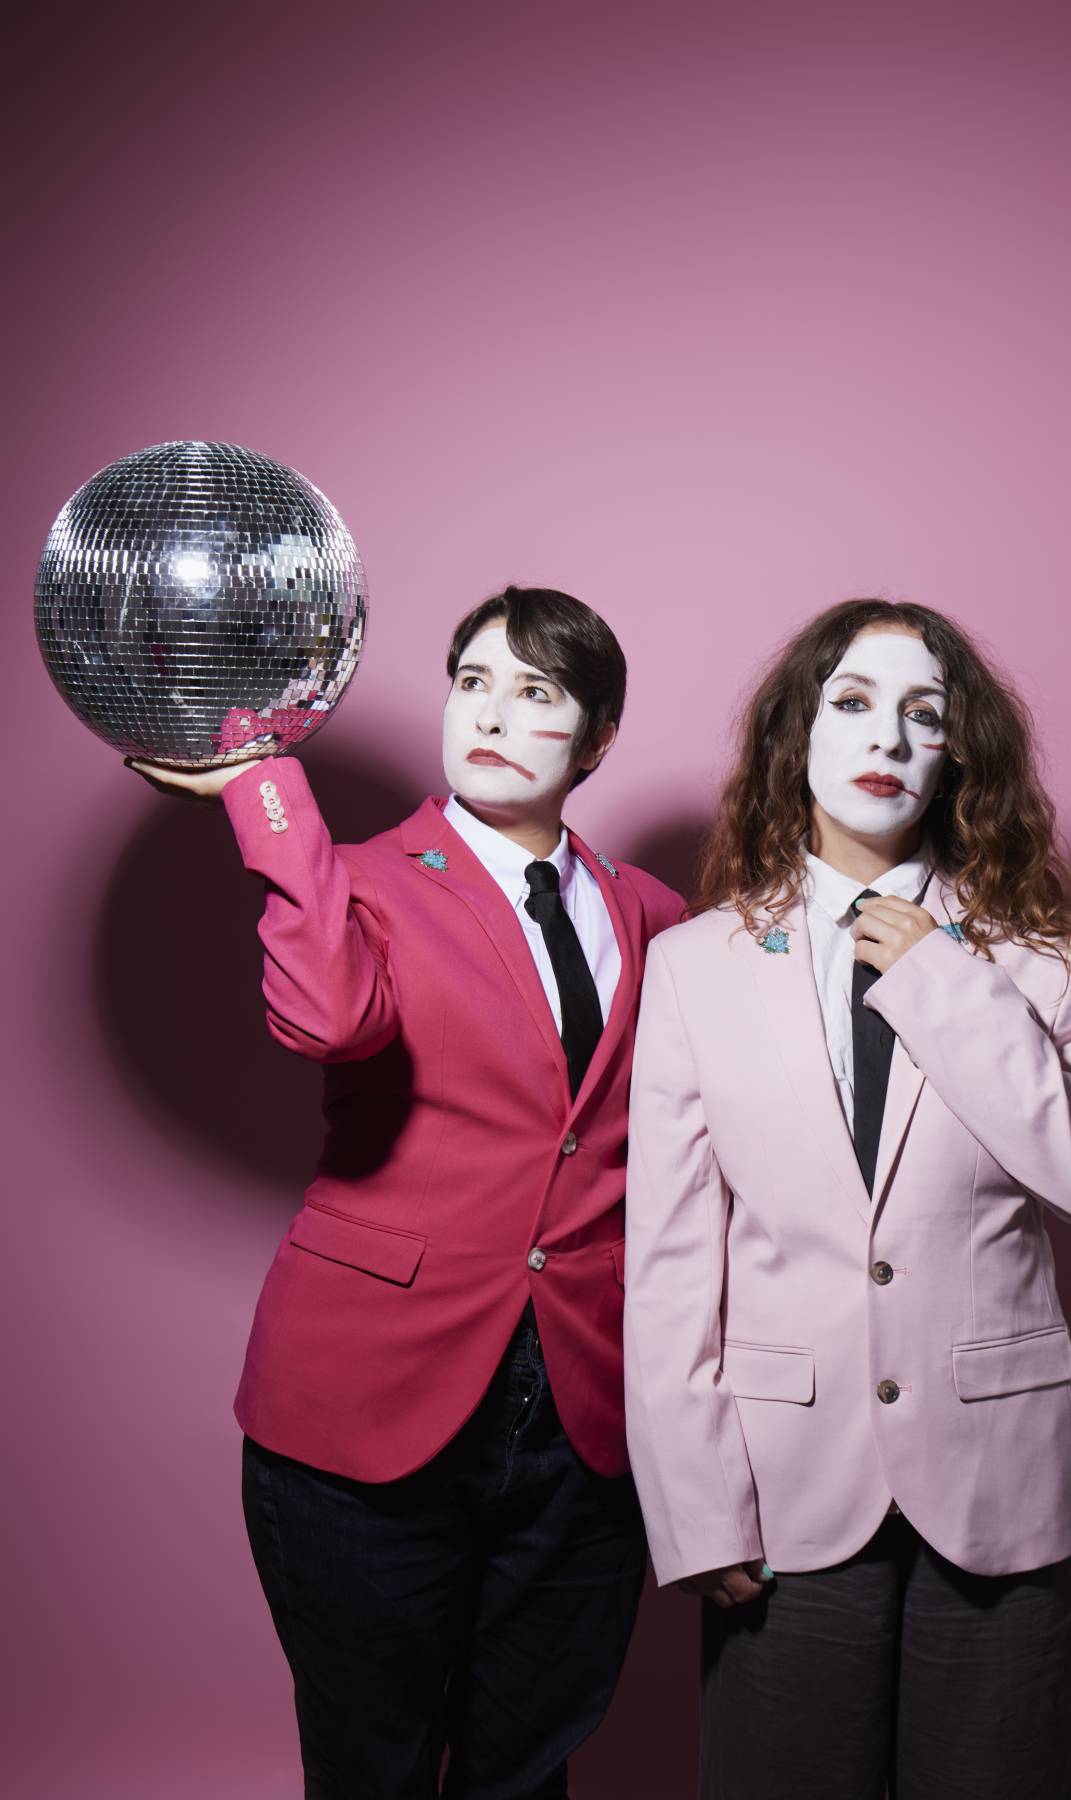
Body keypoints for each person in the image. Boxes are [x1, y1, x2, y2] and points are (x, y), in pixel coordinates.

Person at [132, 584, 685, 1799]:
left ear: (595, 741)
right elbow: (327, 1019)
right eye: (471, 682)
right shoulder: (361, 877)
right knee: (373, 1768)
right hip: (364, 1401)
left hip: (588, 1418)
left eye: (534, 692)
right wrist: (263, 803)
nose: (489, 712)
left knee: (528, 1768)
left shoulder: (654, 915)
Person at [622, 597, 1071, 1800]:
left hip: (1000, 1487)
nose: (888, 739)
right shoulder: (693, 967)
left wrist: (945, 982)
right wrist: (697, 1512)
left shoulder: (1043, 954)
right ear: (796, 737)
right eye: (852, 704)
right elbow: (668, 1264)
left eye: (924, 716)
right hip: (783, 1490)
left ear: (958, 756)